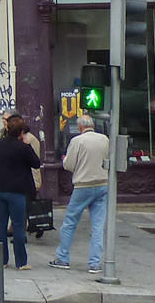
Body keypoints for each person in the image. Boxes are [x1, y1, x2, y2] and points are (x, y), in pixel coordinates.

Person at [0, 113, 44, 270]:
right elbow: (36, 163)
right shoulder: (23, 148)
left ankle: (2, 260)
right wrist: (26, 144)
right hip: (17, 192)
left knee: (0, 225)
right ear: (21, 133)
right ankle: (21, 262)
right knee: (18, 227)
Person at [50, 115, 111, 272]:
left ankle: (63, 258)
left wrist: (66, 160)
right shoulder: (104, 139)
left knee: (70, 222)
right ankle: (95, 263)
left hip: (83, 185)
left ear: (80, 127)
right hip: (102, 183)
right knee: (98, 226)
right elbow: (108, 159)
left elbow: (68, 165)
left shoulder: (77, 141)